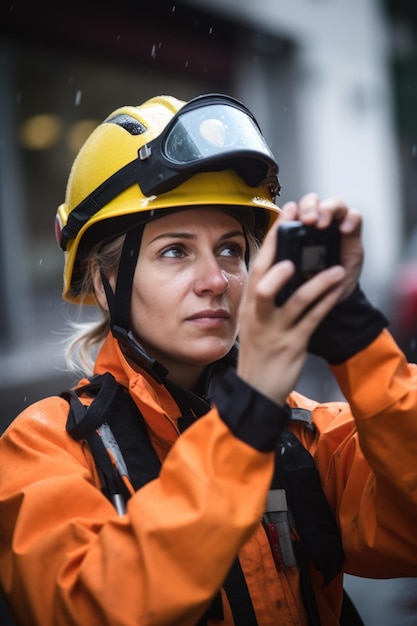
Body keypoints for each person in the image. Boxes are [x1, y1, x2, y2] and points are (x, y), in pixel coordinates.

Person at [0, 93, 416, 626]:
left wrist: (360, 343)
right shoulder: (44, 449)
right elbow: (91, 604)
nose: (217, 281)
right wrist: (244, 425)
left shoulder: (305, 432)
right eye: (175, 251)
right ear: (106, 284)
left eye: (230, 250)